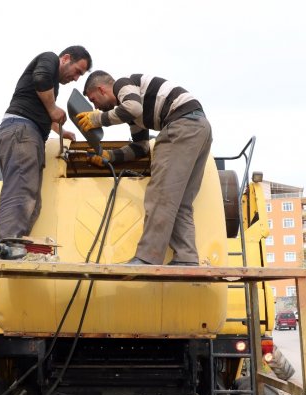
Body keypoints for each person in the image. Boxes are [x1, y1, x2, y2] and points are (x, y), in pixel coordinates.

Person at [77, 71, 212, 266]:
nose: (94, 106)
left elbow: (132, 108)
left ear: (101, 89)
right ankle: (186, 257)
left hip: (181, 125)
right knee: (180, 202)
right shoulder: (134, 109)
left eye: (93, 100)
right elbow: (140, 147)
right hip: (199, 127)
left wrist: (98, 119)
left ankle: (147, 258)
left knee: (160, 195)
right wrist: (110, 157)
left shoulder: (124, 84)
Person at [0, 46, 92, 243]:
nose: (76, 78)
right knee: (20, 191)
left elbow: (46, 111)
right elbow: (40, 78)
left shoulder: (51, 88)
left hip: (27, 134)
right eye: (77, 72)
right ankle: (7, 244)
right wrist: (53, 107)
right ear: (65, 58)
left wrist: (61, 131)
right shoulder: (49, 59)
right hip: (22, 131)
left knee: (32, 201)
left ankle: (14, 243)